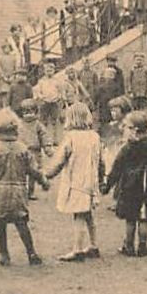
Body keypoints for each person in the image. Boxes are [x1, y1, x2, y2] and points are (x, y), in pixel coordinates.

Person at [0, 110, 46, 266]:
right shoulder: (22, 148)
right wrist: (43, 181)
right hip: (18, 192)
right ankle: (31, 252)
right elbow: (33, 170)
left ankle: (4, 254)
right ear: (16, 129)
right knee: (21, 222)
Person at [43, 102, 105, 262]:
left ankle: (77, 249)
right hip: (91, 181)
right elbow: (101, 161)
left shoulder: (70, 138)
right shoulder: (95, 136)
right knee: (88, 214)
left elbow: (59, 160)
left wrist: (47, 175)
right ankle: (93, 245)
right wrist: (101, 178)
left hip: (77, 181)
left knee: (78, 215)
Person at [104, 110, 147, 257]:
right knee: (144, 218)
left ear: (134, 130)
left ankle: (129, 245)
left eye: (126, 126)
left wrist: (108, 185)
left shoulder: (127, 148)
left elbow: (116, 168)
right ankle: (143, 246)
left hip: (130, 187)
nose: (123, 129)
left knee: (130, 219)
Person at [18, 100, 51, 200]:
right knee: (21, 173)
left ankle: (31, 192)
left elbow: (44, 136)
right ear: (21, 113)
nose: (28, 114)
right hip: (21, 151)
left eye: (30, 112)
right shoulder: (18, 124)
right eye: (25, 112)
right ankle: (23, 192)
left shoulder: (38, 125)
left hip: (34, 151)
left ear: (36, 112)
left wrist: (47, 147)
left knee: (33, 172)